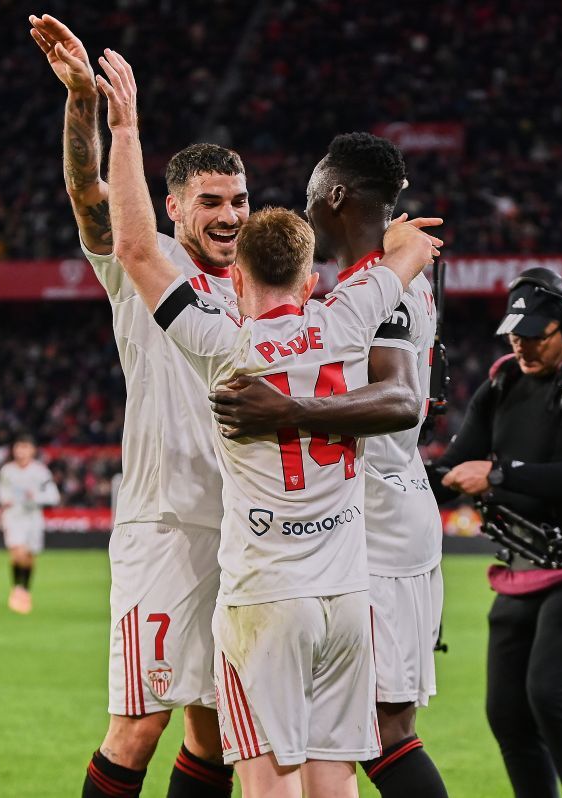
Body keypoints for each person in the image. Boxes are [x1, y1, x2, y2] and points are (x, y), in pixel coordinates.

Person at [94, 47, 442, 798]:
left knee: (267, 781)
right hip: (346, 595)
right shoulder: (348, 318)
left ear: (238, 279)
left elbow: (130, 245)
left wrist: (123, 126)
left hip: (264, 596)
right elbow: (401, 263)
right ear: (311, 277)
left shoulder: (226, 353)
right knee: (333, 774)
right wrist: (407, 245)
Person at [30, 14, 244, 797]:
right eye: (212, 201)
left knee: (216, 729)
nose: (229, 216)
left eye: (239, 200)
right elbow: (90, 196)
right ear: (175, 207)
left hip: (247, 532)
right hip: (163, 525)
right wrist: (85, 104)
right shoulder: (143, 268)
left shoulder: (262, 287)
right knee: (139, 724)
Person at [209, 133, 449, 797]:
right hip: (357, 537)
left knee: (382, 734)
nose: (306, 209)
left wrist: (284, 409)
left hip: (379, 538)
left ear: (337, 196)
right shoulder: (372, 283)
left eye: (313, 195)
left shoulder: (386, 289)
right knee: (333, 745)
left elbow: (402, 399)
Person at [430, 268, 562, 798]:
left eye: (535, 335)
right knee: (506, 711)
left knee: (551, 693)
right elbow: (455, 469)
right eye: (515, 334)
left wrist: (500, 475)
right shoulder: (502, 382)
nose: (523, 345)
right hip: (524, 561)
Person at [0, 435, 61, 614]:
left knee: (29, 557)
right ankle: (17, 590)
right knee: (18, 553)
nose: (20, 451)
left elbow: (53, 496)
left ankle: (24, 590)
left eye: (25, 447)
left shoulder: (40, 472)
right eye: (18, 447)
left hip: (33, 518)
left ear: (32, 450)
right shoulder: (7, 471)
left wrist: (36, 497)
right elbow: (1, 490)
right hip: (14, 517)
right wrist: (4, 500)